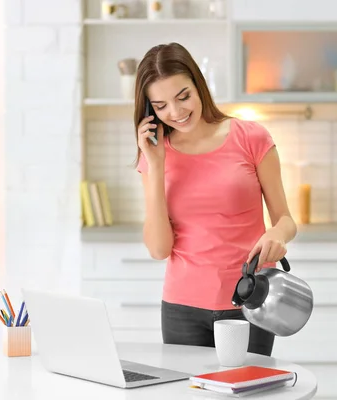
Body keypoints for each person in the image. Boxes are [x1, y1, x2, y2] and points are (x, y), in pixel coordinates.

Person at [133, 42, 297, 357]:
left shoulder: (251, 137)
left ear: (199, 85)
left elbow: (286, 221)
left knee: (250, 391)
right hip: (182, 307)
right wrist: (154, 165)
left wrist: (276, 234)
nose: (176, 112)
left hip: (250, 298)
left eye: (183, 97)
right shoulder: (154, 155)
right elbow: (158, 249)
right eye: (162, 105)